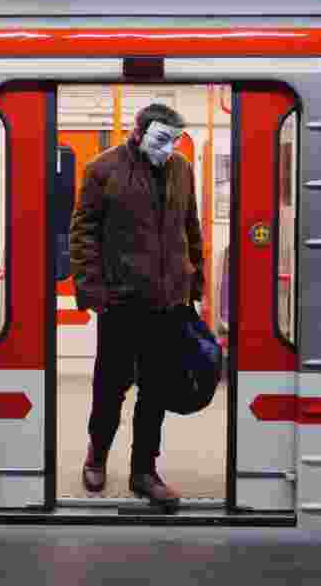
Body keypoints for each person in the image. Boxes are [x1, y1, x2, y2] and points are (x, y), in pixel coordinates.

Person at [68, 103, 204, 506]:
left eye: (175, 140)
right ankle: (97, 455)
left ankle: (144, 471)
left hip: (168, 303)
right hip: (121, 303)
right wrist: (94, 293)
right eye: (161, 139)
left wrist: (192, 281)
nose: (169, 148)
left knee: (156, 390)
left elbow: (190, 226)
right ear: (138, 132)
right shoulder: (102, 169)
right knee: (111, 388)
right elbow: (82, 234)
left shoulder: (181, 170)